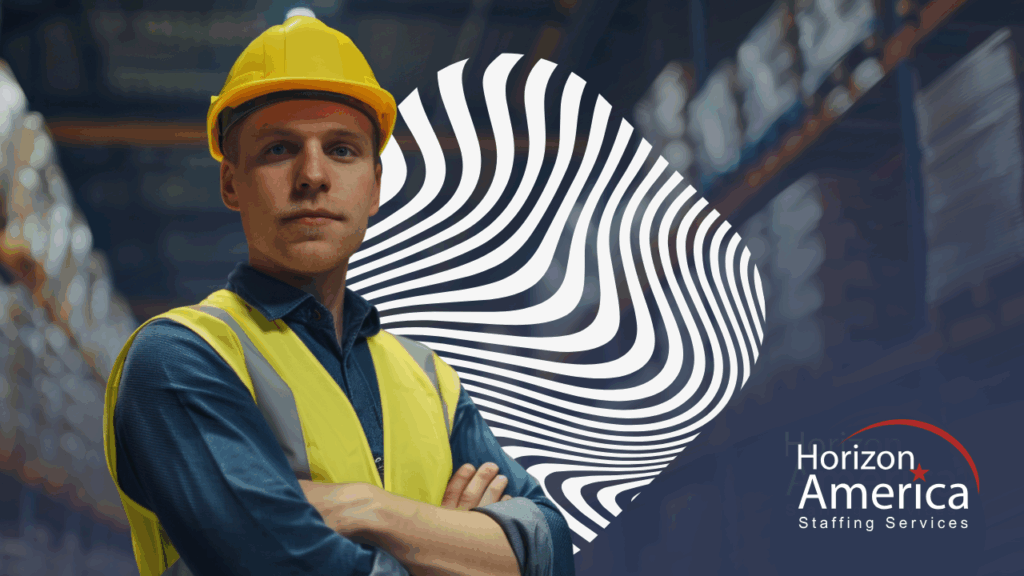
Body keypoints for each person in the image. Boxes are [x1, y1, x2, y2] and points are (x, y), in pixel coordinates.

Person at [101, 13, 575, 576]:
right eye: (279, 149)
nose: (312, 176)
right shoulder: (181, 360)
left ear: (374, 186)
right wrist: (455, 545)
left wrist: (366, 509)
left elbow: (552, 550)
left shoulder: (428, 381)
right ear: (232, 183)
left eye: (342, 150)